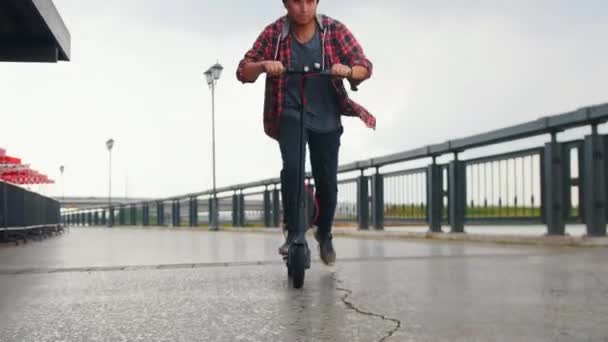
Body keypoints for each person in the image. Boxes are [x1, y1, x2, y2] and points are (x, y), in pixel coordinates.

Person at [236, 0, 375, 265]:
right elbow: (244, 70)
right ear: (286, 4)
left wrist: (348, 71)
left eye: (310, 1)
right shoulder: (275, 33)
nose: (304, 8)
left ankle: (324, 232)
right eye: (297, 2)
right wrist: (265, 64)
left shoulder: (334, 30)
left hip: (326, 115)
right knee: (292, 169)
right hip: (290, 111)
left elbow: (363, 66)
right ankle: (294, 232)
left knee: (328, 182)